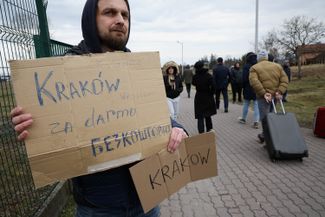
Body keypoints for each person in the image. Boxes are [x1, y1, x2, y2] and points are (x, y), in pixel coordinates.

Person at [10, 0, 188, 216]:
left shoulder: (138, 67)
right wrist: (32, 127)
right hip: (97, 208)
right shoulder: (64, 73)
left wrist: (178, 128)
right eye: (110, 12)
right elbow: (49, 130)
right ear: (90, 19)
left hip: (147, 200)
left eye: (125, 15)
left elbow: (157, 111)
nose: (120, 20)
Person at [249, 50, 288, 143]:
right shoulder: (277, 66)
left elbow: (254, 82)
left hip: (263, 97)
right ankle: (267, 135)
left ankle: (268, 139)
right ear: (266, 57)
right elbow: (284, 80)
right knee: (272, 115)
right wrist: (279, 91)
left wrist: (264, 93)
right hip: (275, 96)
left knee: (265, 118)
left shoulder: (254, 68)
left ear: (258, 58)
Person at [192, 61, 216, 133]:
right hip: (208, 96)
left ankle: (201, 133)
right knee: (208, 115)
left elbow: (193, 83)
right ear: (203, 66)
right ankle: (209, 130)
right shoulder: (208, 75)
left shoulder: (195, 77)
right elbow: (214, 86)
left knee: (200, 116)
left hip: (199, 96)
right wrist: (211, 93)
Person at [238, 52, 260, 129]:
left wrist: (243, 87)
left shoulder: (246, 66)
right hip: (257, 87)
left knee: (246, 103)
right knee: (256, 104)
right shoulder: (258, 65)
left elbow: (244, 78)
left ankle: (243, 119)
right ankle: (256, 121)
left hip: (247, 87)